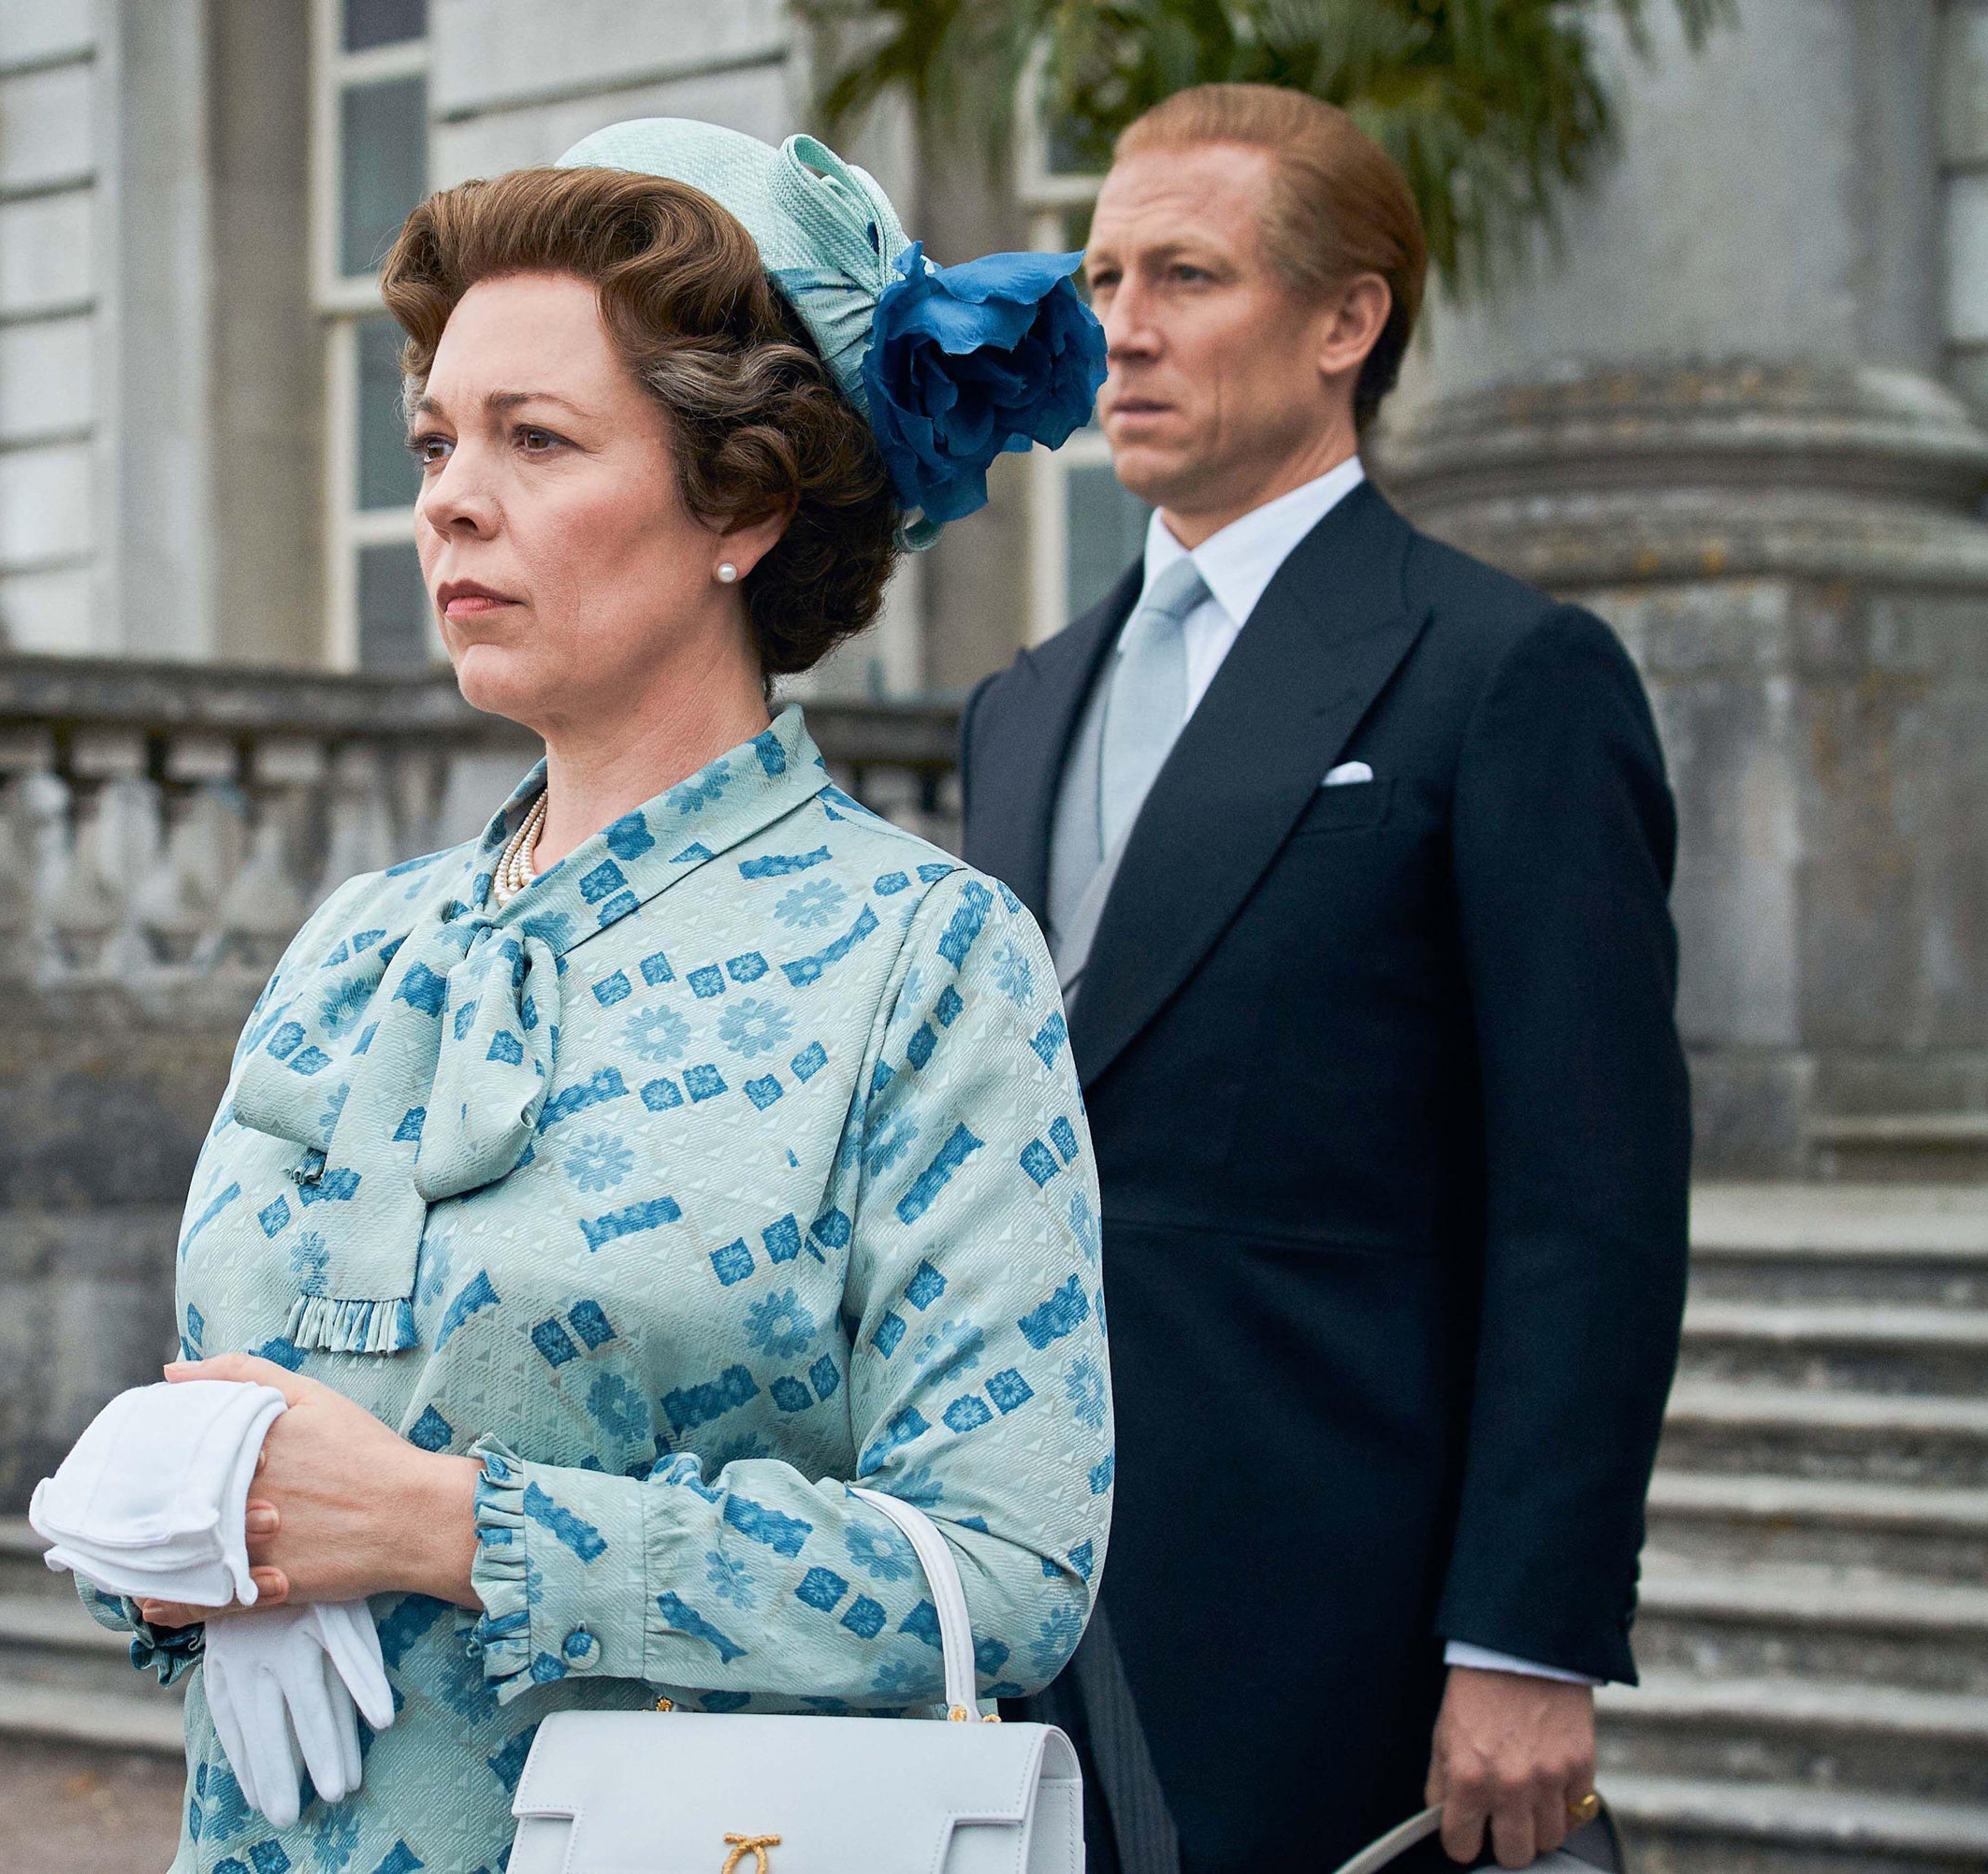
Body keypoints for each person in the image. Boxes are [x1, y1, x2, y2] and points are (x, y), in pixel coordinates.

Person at [90, 121, 1117, 1874]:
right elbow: (233, 1413)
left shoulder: (924, 959)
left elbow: (1010, 1576)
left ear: (747, 503)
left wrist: (450, 1529)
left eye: (535, 440)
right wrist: (189, 1530)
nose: (446, 497)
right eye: (434, 440)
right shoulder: (357, 942)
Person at [961, 84, 1691, 1874]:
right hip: (1014, 1594)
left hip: (1337, 1620)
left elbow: (1588, 1203)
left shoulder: (1508, 673)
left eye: (1187, 275)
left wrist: (1525, 1636)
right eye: (1104, 272)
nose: (1117, 327)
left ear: (1347, 322)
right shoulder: (1019, 704)